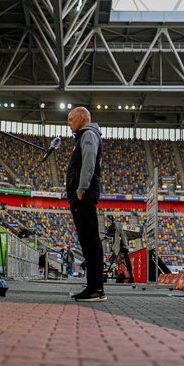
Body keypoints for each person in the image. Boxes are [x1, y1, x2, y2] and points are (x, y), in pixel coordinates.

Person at [66, 106, 106, 301]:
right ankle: (93, 287)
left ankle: (96, 288)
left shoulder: (88, 134)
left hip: (85, 195)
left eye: (71, 119)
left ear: (82, 118)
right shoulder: (86, 135)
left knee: (90, 241)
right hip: (83, 195)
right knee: (87, 242)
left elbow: (89, 162)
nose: (69, 124)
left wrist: (81, 190)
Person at [105, 215, 134, 283]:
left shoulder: (115, 227)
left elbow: (110, 233)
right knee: (124, 262)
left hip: (121, 247)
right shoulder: (116, 227)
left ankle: (131, 277)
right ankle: (131, 277)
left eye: (110, 220)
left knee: (122, 261)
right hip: (122, 247)